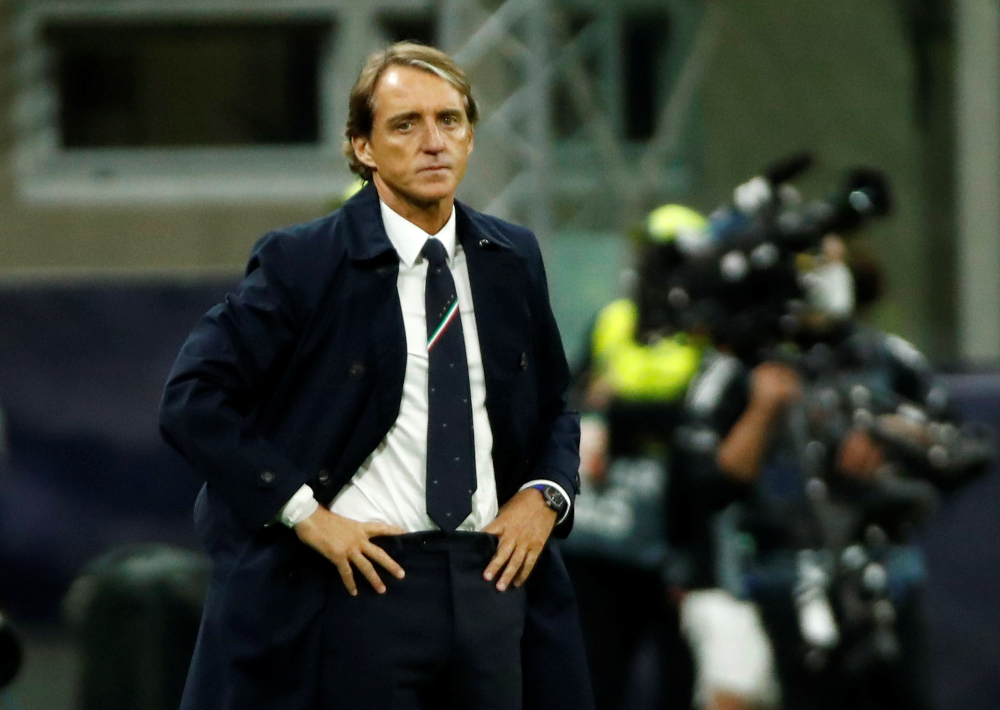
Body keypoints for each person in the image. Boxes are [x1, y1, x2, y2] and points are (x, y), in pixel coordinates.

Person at [160, 42, 588, 710]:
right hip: (360, 588)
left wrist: (546, 492)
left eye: (449, 120)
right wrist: (304, 513)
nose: (433, 142)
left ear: (471, 135)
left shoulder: (510, 257)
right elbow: (192, 400)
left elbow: (554, 402)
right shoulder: (303, 262)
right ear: (362, 146)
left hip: (491, 584)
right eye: (404, 124)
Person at [561, 204, 706, 709]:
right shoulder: (613, 320)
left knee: (680, 681)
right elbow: (573, 400)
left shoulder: (706, 331)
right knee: (597, 677)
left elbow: (695, 419)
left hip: (677, 532)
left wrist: (618, 413)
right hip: (606, 528)